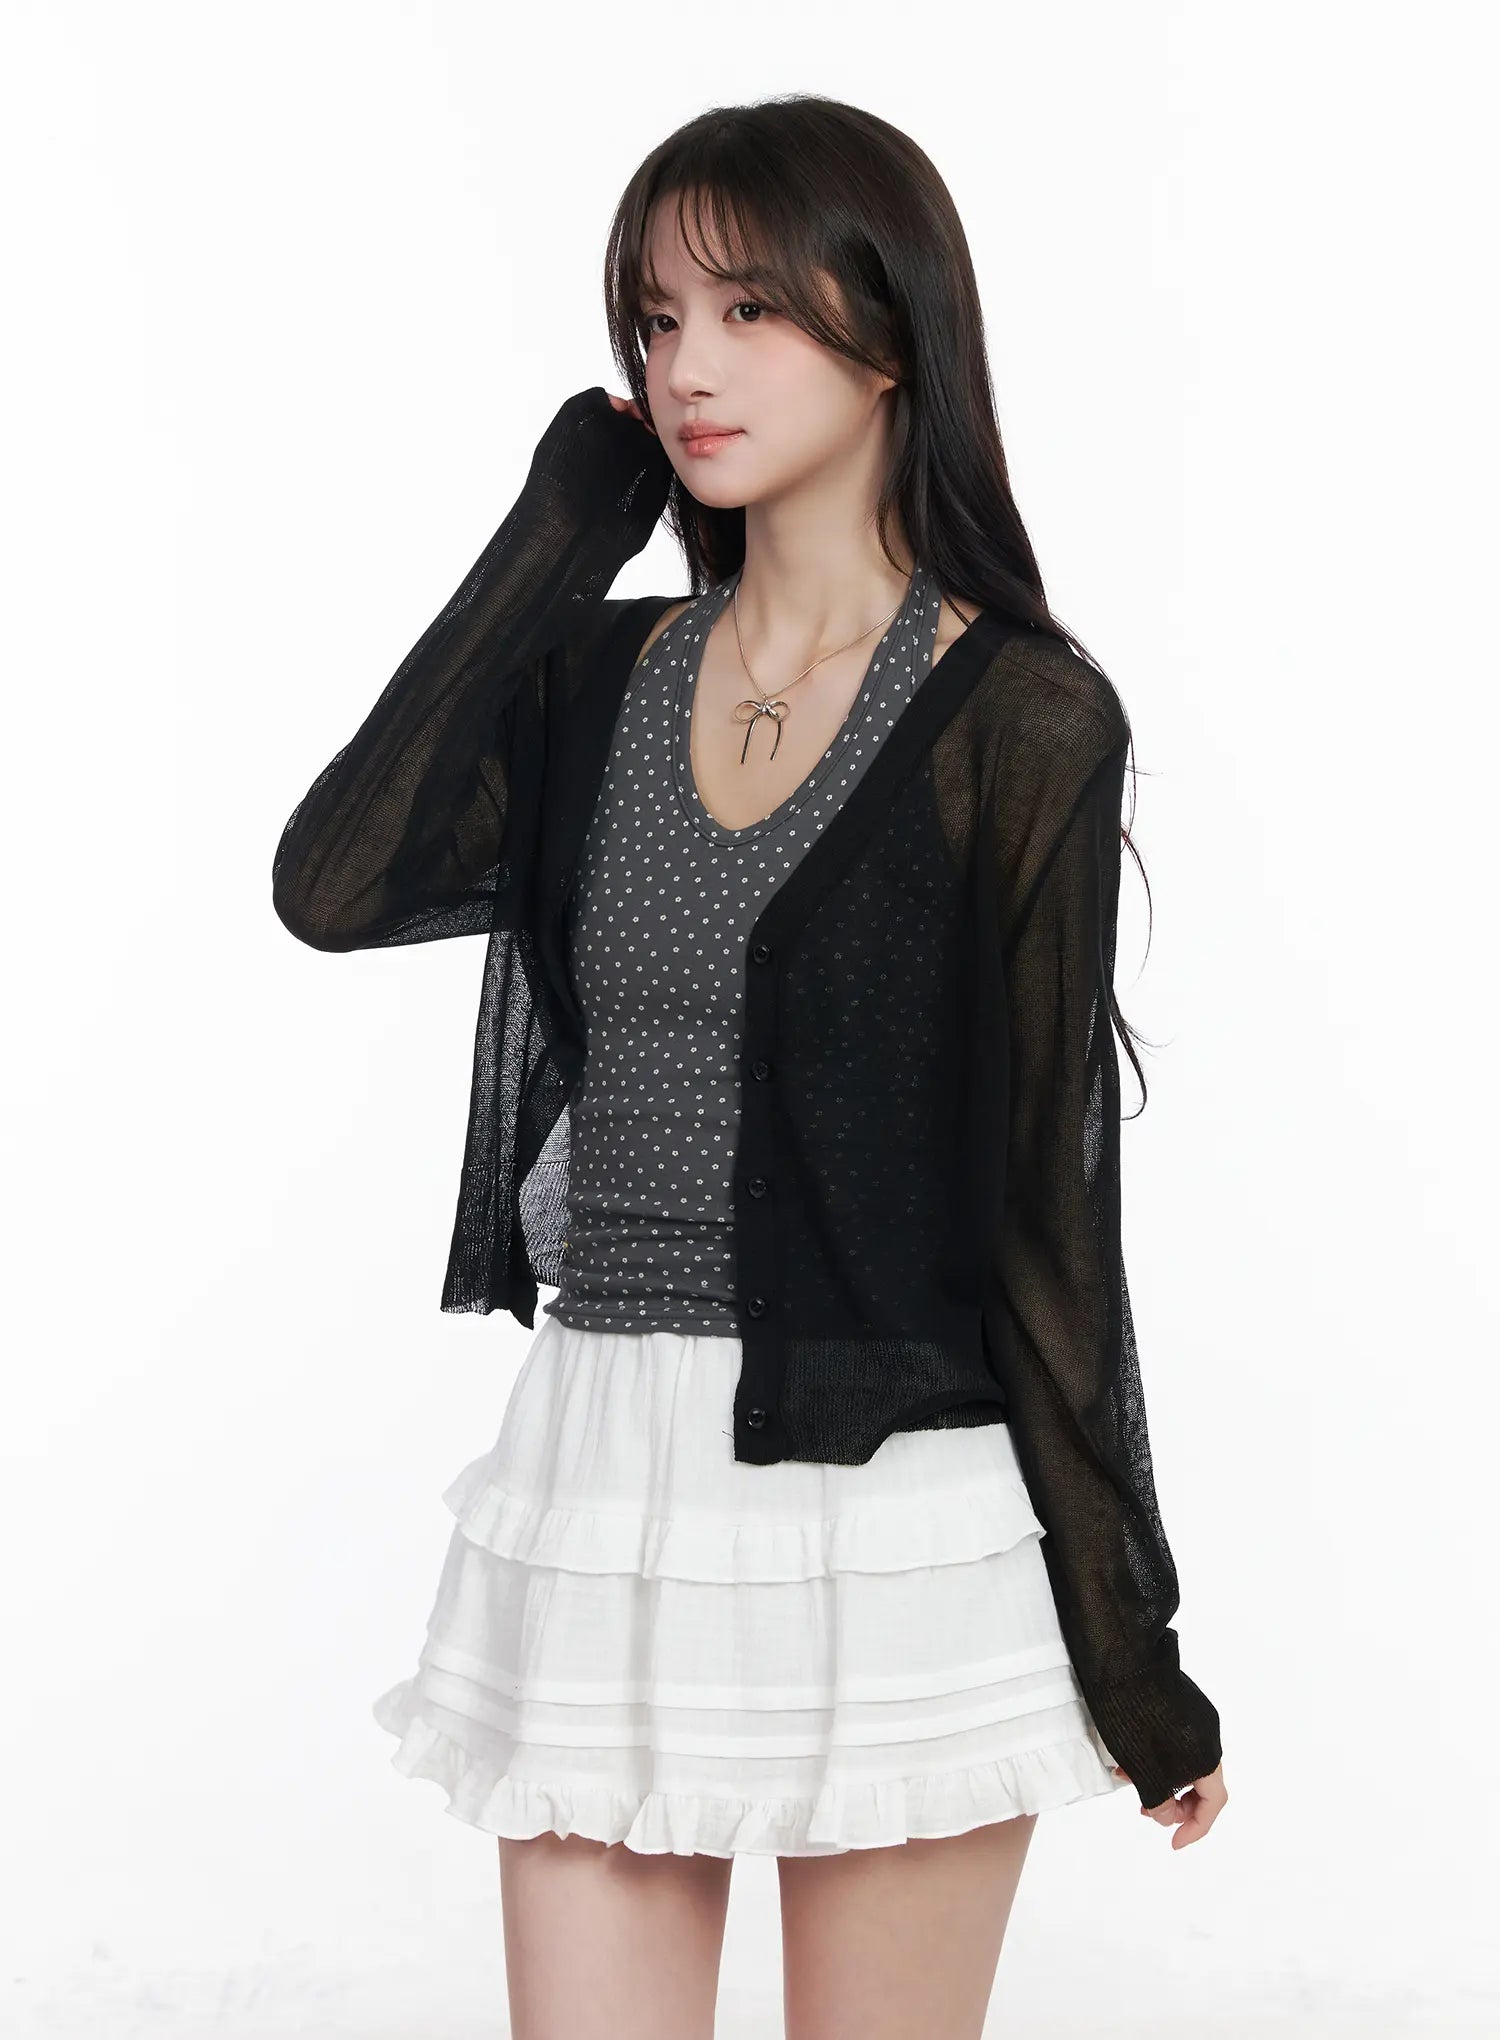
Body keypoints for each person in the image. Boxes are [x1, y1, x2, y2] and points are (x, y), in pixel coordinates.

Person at [272, 93, 1226, 2040]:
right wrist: (561, 529)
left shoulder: (1020, 717)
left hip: (894, 1515)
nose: (684, 367)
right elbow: (335, 880)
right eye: (652, 321)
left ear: (889, 334)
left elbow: (1048, 1221)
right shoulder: (597, 681)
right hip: (599, 1487)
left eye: (746, 310)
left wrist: (1134, 1649)